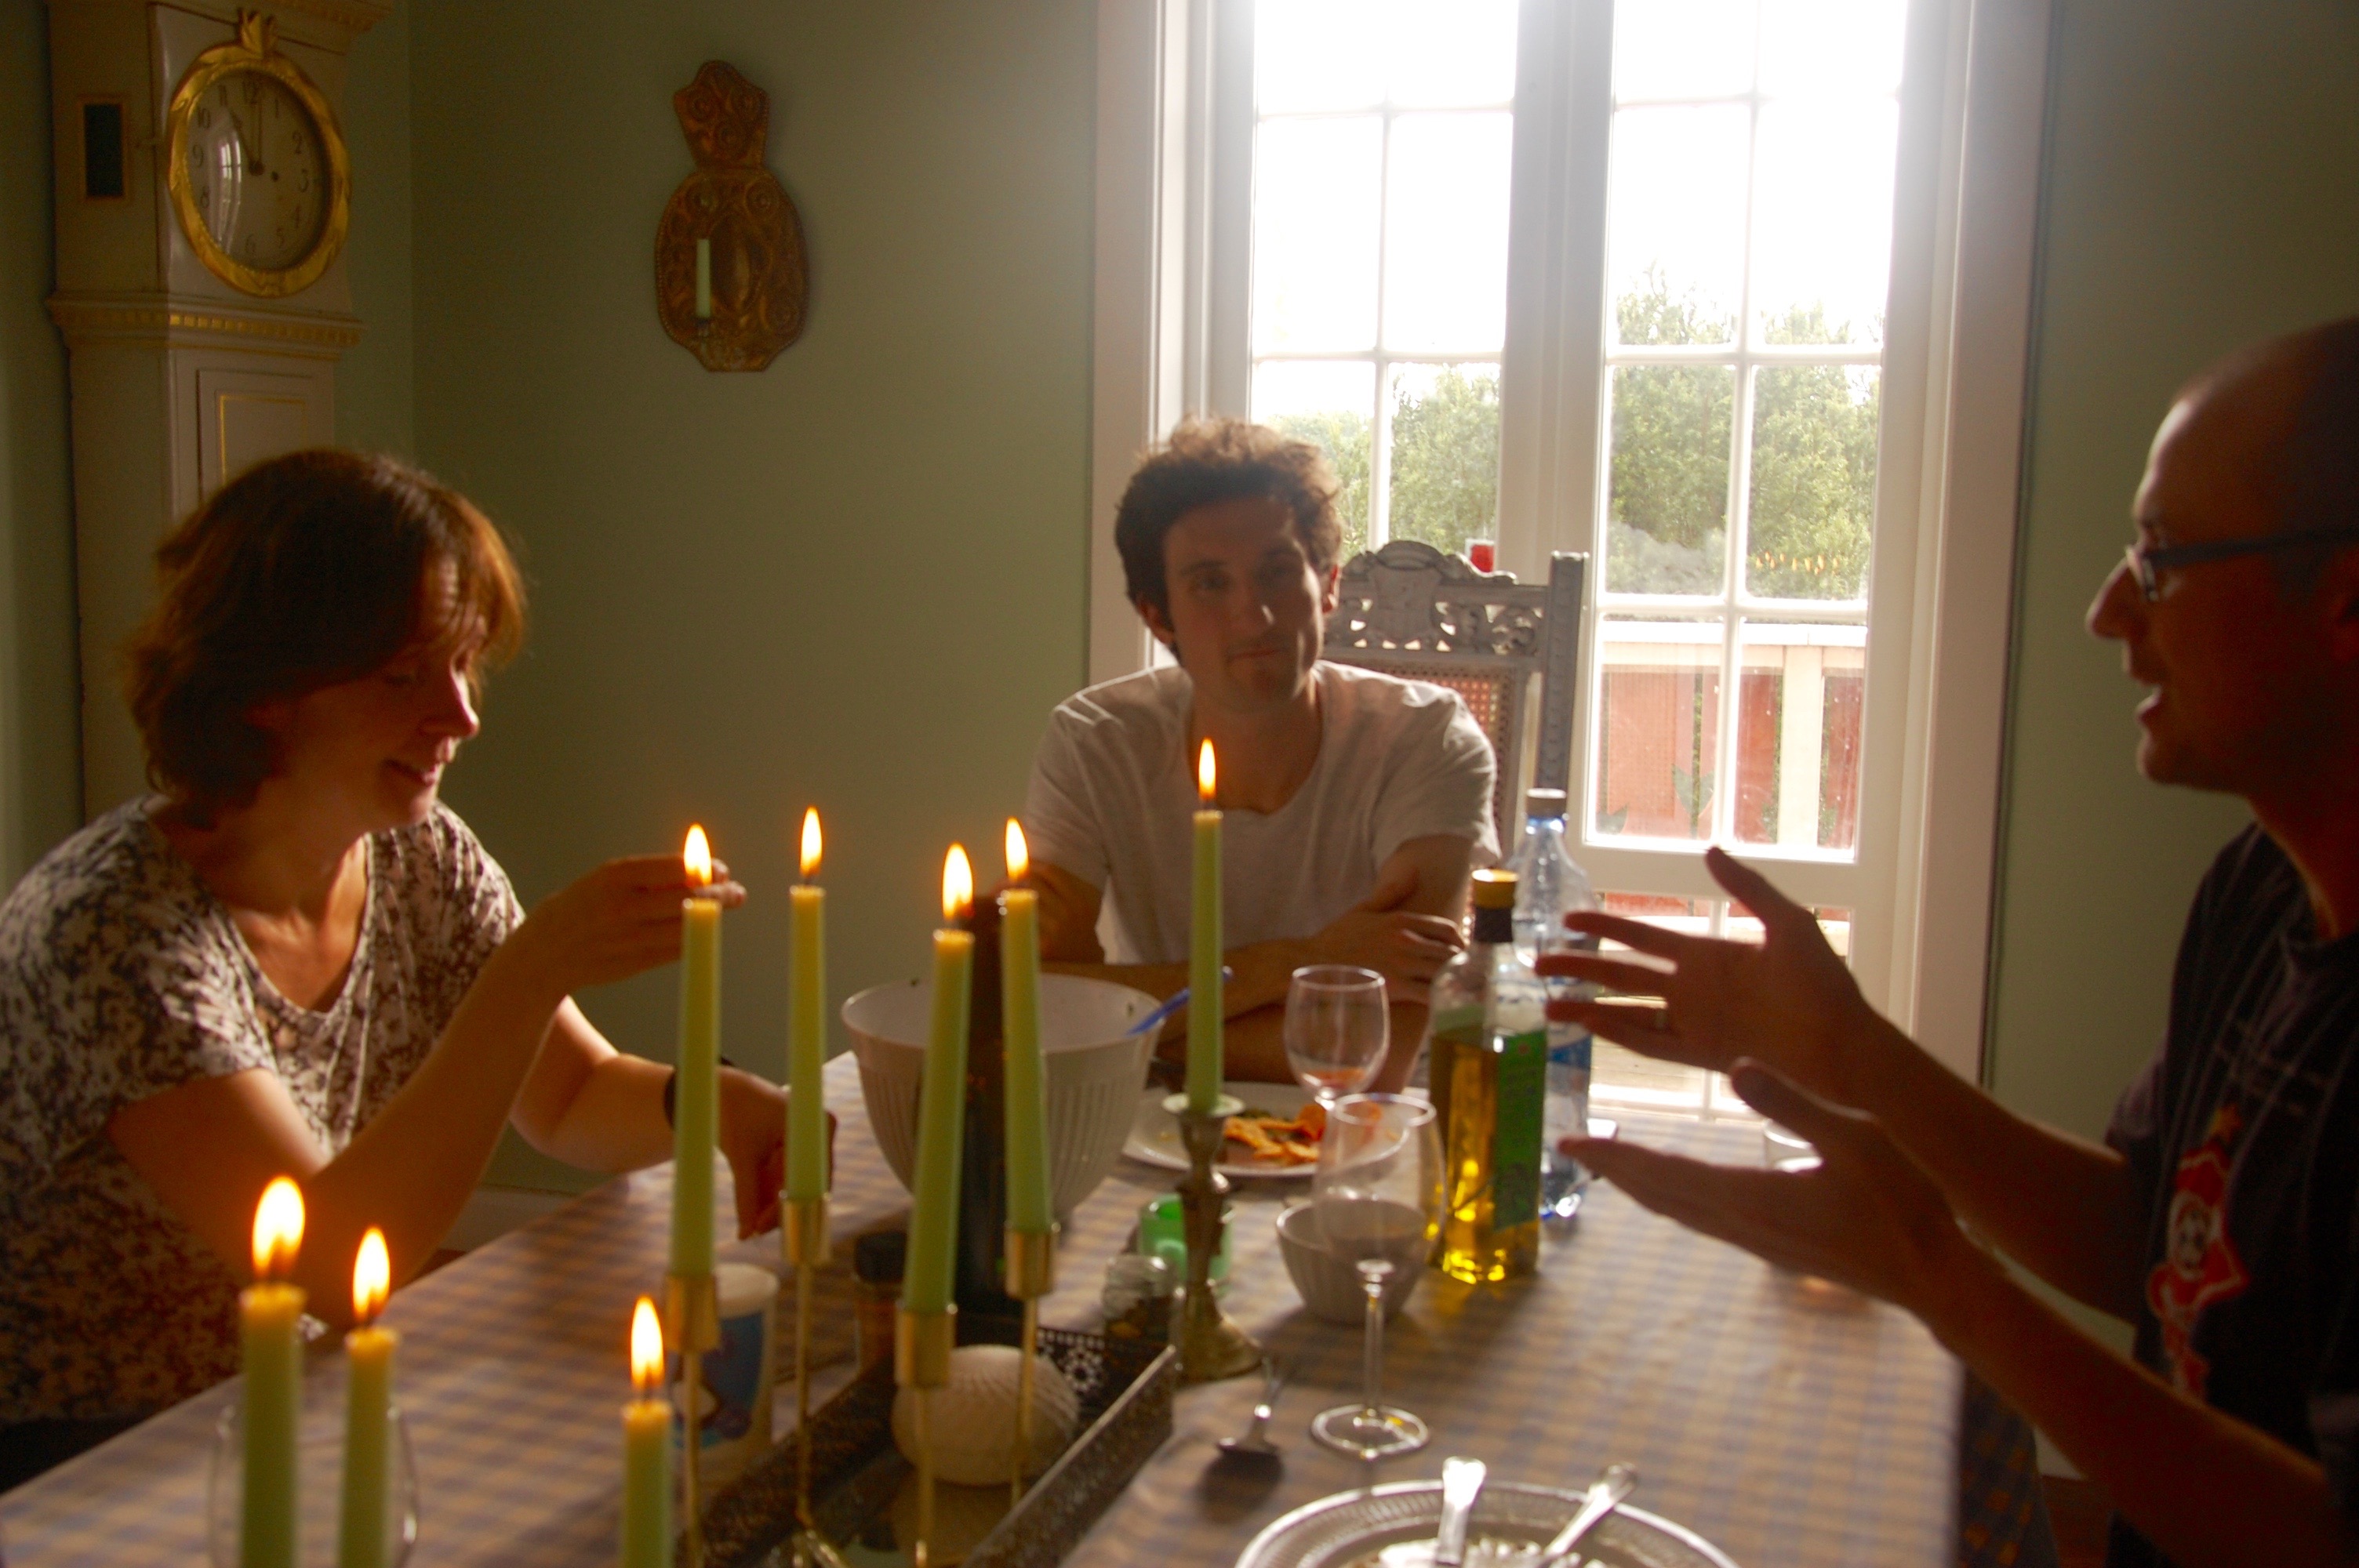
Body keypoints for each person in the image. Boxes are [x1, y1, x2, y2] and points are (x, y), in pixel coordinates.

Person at [1546, 320, 2359, 1567]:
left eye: (2160, 559)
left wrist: (1943, 1278)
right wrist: (1857, 1057)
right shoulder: (2263, 887)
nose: (2102, 613)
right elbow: (2148, 1236)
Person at [0, 451, 791, 1488]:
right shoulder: (114, 935)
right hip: (94, 1453)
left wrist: (716, 1102)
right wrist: (534, 965)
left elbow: (569, 1094)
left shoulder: (417, 852)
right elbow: (327, 1263)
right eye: (404, 675)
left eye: (466, 665)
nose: (460, 716)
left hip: (294, 1394)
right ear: (265, 684)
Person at [1022, 417, 1497, 1087]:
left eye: (1277, 571)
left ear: (1328, 585)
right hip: (1150, 1134)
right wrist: (1305, 960)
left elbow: (1371, 1056)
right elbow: (1049, 1004)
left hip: (1353, 1141)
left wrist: (1141, 1035)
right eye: (1211, 583)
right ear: (1158, 616)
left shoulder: (1426, 739)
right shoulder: (1095, 741)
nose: (1256, 615)